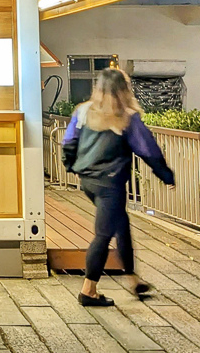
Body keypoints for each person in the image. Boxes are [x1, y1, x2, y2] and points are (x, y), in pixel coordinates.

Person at [62, 68, 175, 307]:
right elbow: (148, 150)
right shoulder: (127, 118)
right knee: (103, 234)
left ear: (98, 88)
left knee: (121, 226)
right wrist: (165, 175)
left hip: (89, 180)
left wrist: (71, 165)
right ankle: (88, 290)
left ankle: (134, 280)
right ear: (124, 90)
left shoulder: (82, 111)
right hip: (110, 183)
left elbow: (69, 142)